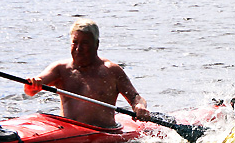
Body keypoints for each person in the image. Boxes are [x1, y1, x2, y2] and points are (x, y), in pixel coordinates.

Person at [23, 18, 151, 128]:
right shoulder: (61, 69)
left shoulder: (111, 70)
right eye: (75, 42)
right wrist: (33, 83)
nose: (78, 49)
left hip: (104, 132)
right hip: (70, 131)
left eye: (85, 43)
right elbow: (30, 91)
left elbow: (135, 97)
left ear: (96, 45)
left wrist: (140, 106)